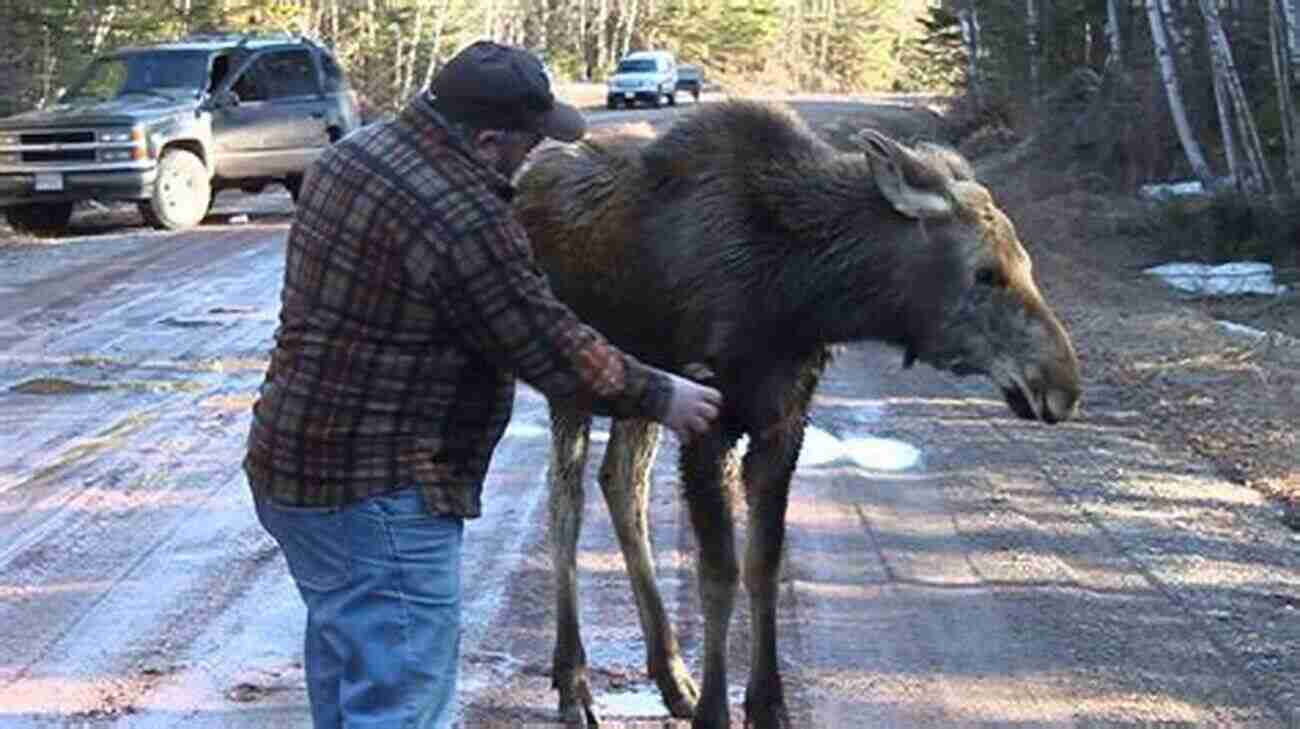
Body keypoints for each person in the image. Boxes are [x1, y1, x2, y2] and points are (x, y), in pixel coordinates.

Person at [243, 40, 723, 729]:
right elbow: (543, 341)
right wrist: (663, 396)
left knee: (352, 680)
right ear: (488, 138)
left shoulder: (355, 154)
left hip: (291, 470)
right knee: (401, 709)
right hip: (380, 492)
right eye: (528, 144)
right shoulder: (461, 214)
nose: (531, 159)